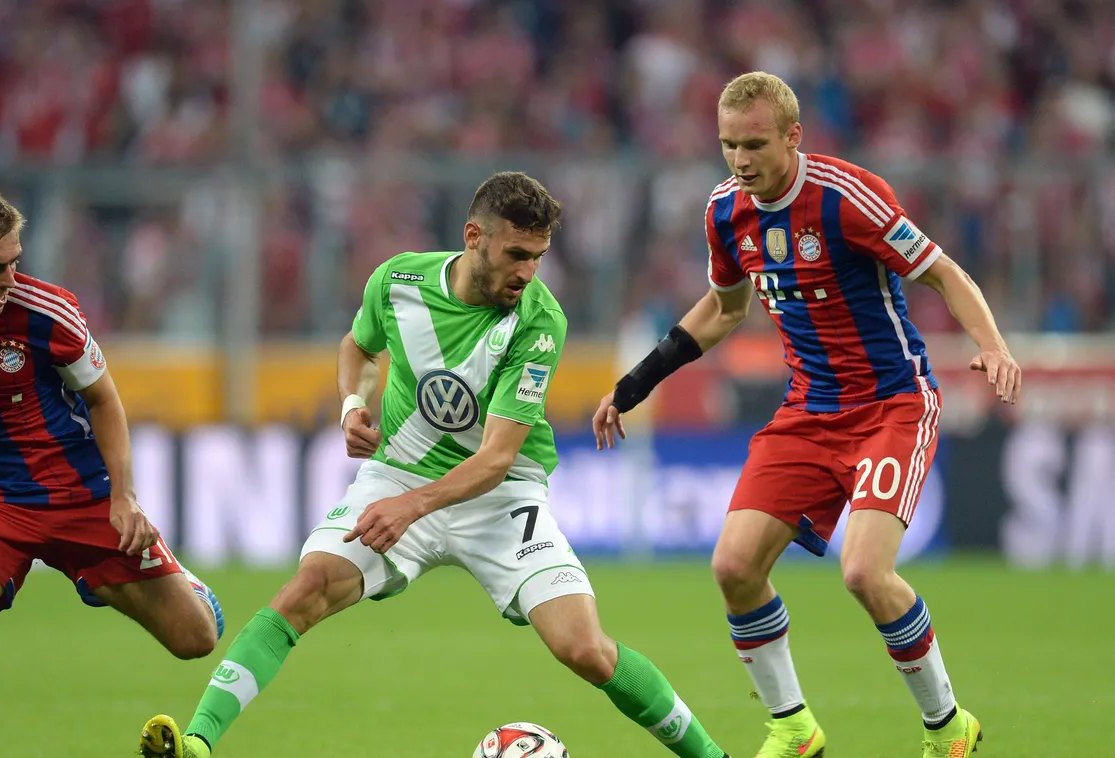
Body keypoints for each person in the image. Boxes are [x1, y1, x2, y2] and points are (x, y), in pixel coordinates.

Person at [138, 172, 731, 758]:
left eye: (539, 257)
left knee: (586, 650)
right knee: (307, 588)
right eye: (517, 254)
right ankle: (196, 744)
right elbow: (358, 346)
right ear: (474, 236)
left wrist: (411, 507)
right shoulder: (398, 280)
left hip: (502, 496)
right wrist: (352, 403)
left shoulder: (538, 321)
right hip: (399, 472)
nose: (528, 273)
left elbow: (497, 458)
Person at [594, 72, 1020, 758]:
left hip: (891, 406)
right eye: (727, 145)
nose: (739, 161)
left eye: (753, 144)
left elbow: (941, 271)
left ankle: (948, 729)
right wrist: (638, 380)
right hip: (808, 411)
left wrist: (992, 346)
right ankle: (793, 728)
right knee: (732, 566)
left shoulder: (847, 197)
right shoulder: (724, 210)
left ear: (792, 137)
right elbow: (724, 310)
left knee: (863, 574)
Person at [0, 185, 225, 758]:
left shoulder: (48, 312)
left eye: (15, 261)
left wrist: (124, 497)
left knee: (195, 640)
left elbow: (106, 402)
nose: (9, 277)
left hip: (77, 495)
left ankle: (181, 582)